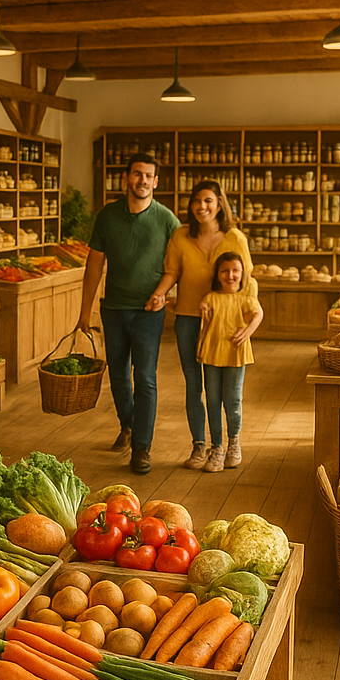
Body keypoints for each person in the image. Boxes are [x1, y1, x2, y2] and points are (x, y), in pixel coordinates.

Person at [77, 153, 180, 475]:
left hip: (149, 312)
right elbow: (94, 266)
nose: (142, 180)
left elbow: (177, 265)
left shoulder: (167, 220)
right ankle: (128, 424)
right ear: (126, 178)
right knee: (119, 376)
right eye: (137, 174)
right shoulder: (108, 216)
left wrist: (163, 294)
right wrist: (84, 312)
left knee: (145, 378)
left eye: (148, 175)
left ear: (156, 181)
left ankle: (141, 448)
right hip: (113, 309)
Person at [146, 180, 255, 469]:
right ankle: (199, 446)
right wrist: (159, 294)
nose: (202, 206)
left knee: (222, 391)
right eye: (196, 201)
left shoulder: (235, 238)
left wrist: (247, 322)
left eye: (208, 201)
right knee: (194, 384)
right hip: (188, 319)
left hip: (225, 325)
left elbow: (247, 281)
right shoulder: (181, 235)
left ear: (219, 204)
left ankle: (230, 443)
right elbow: (172, 272)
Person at [194, 252, 263, 472]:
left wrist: (248, 332)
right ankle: (217, 448)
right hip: (212, 353)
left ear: (242, 274)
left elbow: (258, 314)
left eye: (235, 271)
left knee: (233, 401)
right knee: (213, 401)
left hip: (235, 354)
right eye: (225, 270)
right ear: (217, 274)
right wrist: (203, 309)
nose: (230, 275)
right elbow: (204, 312)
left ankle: (234, 443)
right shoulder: (211, 297)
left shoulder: (245, 298)